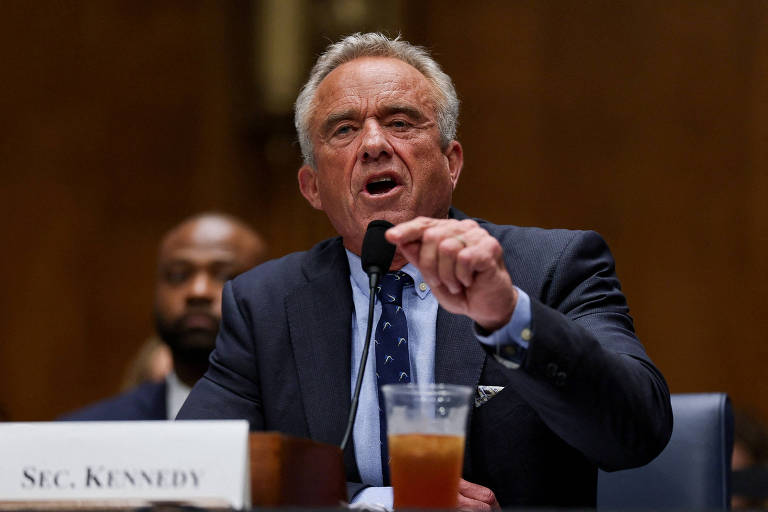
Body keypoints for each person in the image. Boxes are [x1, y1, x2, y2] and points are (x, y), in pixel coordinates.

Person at [178, 33, 672, 508]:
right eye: (344, 130)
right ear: (311, 187)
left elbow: (636, 434)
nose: (373, 144)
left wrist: (508, 318)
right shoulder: (263, 305)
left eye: (401, 122)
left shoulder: (550, 268)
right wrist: (374, 502)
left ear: (451, 162)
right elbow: (194, 470)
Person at [61, 212, 266, 421]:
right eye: (178, 275)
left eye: (226, 276)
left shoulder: (297, 426)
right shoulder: (87, 433)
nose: (198, 291)